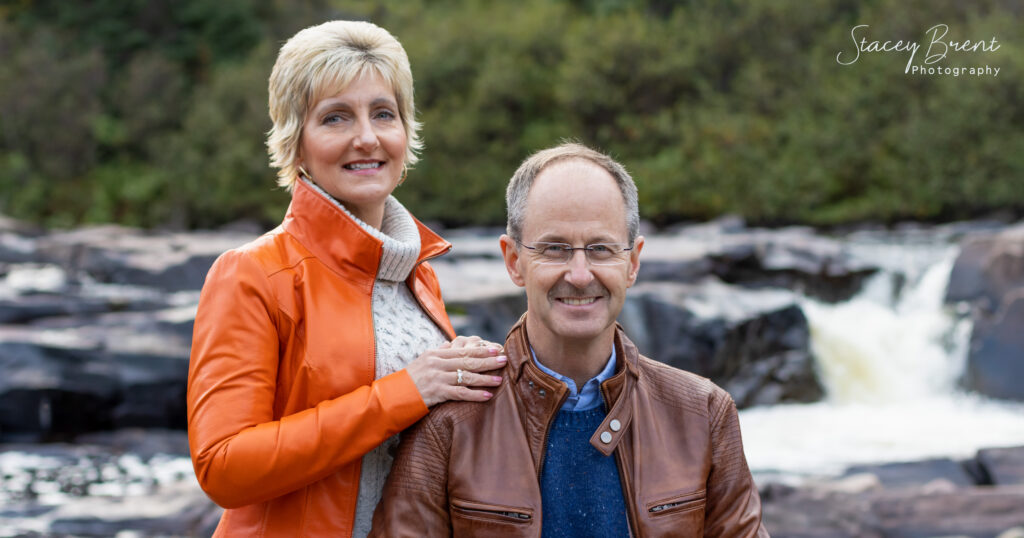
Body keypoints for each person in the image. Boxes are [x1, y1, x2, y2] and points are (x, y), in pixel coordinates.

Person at [186, 20, 507, 537]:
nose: (366, 137)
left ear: (405, 132)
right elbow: (223, 466)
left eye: (384, 113)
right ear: (296, 142)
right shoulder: (251, 274)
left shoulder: (419, 274)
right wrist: (405, 391)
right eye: (335, 118)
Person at [371, 143, 768, 537]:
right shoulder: (448, 423)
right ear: (513, 261)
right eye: (555, 248)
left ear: (632, 262)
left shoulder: (705, 413)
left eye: (600, 249)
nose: (579, 274)